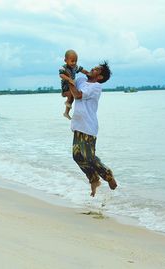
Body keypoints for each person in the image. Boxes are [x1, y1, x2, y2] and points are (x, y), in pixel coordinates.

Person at [68, 61, 118, 197]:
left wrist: (69, 81)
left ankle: (108, 176)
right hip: (78, 125)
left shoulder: (96, 87)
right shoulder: (81, 80)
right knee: (77, 156)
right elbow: (69, 92)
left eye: (96, 69)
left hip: (88, 126)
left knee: (89, 157)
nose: (93, 68)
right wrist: (69, 73)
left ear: (100, 77)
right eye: (94, 67)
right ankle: (94, 179)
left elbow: (78, 95)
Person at [59, 50, 89, 120]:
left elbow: (82, 70)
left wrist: (88, 73)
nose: (74, 63)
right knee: (71, 96)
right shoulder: (63, 67)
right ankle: (66, 110)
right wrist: (69, 79)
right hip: (65, 86)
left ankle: (66, 113)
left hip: (72, 85)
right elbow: (61, 75)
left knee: (72, 98)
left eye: (76, 61)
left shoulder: (75, 67)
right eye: (72, 61)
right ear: (65, 60)